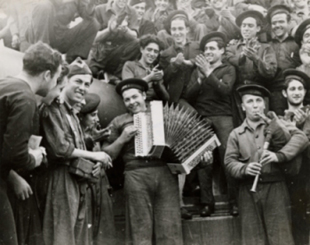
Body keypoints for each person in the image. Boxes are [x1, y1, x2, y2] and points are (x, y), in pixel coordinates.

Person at [102, 78, 183, 245]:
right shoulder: (119, 121)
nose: (132, 102)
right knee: (139, 228)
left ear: (144, 95)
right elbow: (107, 154)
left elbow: (183, 144)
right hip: (135, 174)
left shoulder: (163, 115)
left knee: (170, 227)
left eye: (134, 97)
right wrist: (122, 139)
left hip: (165, 173)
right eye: (127, 99)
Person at [225, 83, 308, 245]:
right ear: (243, 107)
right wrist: (244, 168)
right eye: (249, 102)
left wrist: (279, 156)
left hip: (276, 187)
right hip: (247, 190)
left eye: (258, 101)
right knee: (252, 238)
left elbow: (302, 139)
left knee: (280, 237)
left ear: (264, 104)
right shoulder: (235, 134)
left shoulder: (279, 123)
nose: (255, 105)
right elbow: (229, 162)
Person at [40, 57, 112, 245]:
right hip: (60, 180)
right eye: (78, 81)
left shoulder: (72, 112)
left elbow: (78, 148)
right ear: (64, 82)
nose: (83, 88)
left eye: (87, 84)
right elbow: (60, 149)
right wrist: (95, 155)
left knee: (79, 238)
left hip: (77, 178)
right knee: (62, 237)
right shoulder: (53, 109)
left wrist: (93, 164)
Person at [0, 41, 62, 245]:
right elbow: (14, 155)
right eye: (56, 78)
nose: (55, 84)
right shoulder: (25, 98)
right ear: (46, 75)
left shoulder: (5, 85)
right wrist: (33, 158)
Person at [184, 31, 237, 216]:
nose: (208, 52)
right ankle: (207, 202)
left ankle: (234, 201)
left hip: (224, 117)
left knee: (227, 158)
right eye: (206, 49)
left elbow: (225, 90)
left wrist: (208, 73)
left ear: (222, 51)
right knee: (203, 160)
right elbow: (188, 97)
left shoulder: (228, 69)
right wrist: (199, 79)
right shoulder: (197, 71)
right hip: (202, 117)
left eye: (213, 48)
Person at [226, 10, 277, 126]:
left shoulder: (265, 48)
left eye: (250, 26)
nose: (246, 29)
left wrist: (256, 58)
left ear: (258, 29)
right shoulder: (233, 47)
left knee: (262, 126)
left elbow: (271, 71)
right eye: (243, 26)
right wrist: (243, 56)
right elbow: (230, 60)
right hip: (238, 94)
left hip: (259, 92)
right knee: (240, 127)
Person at [77, 93, 116, 245]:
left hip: (100, 182)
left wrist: (101, 163)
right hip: (84, 186)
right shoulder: (74, 132)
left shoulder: (95, 130)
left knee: (103, 231)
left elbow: (105, 156)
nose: (97, 119)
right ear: (81, 117)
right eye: (92, 115)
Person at [281, 69, 310, 245]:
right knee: (297, 213)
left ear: (305, 92)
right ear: (285, 93)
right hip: (293, 173)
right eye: (292, 89)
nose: (297, 92)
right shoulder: (279, 118)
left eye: (300, 89)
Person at [27, 0, 99, 63]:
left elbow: (86, 15)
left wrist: (91, 3)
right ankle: (41, 54)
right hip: (43, 32)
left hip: (60, 35)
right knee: (44, 6)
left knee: (93, 24)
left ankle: (72, 62)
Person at [159, 10, 200, 107]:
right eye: (174, 29)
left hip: (199, 95)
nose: (177, 33)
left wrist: (190, 62)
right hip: (178, 99)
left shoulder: (197, 46)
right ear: (170, 31)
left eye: (180, 28)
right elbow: (164, 79)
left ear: (187, 29)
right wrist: (174, 65)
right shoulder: (165, 54)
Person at [266, 5, 301, 115]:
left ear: (289, 22)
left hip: (296, 90)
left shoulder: (296, 44)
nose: (277, 25)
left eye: (281, 22)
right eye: (274, 23)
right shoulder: (267, 46)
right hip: (275, 92)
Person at [122, 34, 169, 101]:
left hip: (154, 106)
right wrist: (150, 78)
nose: (152, 54)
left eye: (156, 51)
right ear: (141, 49)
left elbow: (166, 98)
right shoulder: (130, 65)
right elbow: (129, 88)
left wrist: (157, 82)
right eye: (149, 50)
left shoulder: (155, 71)